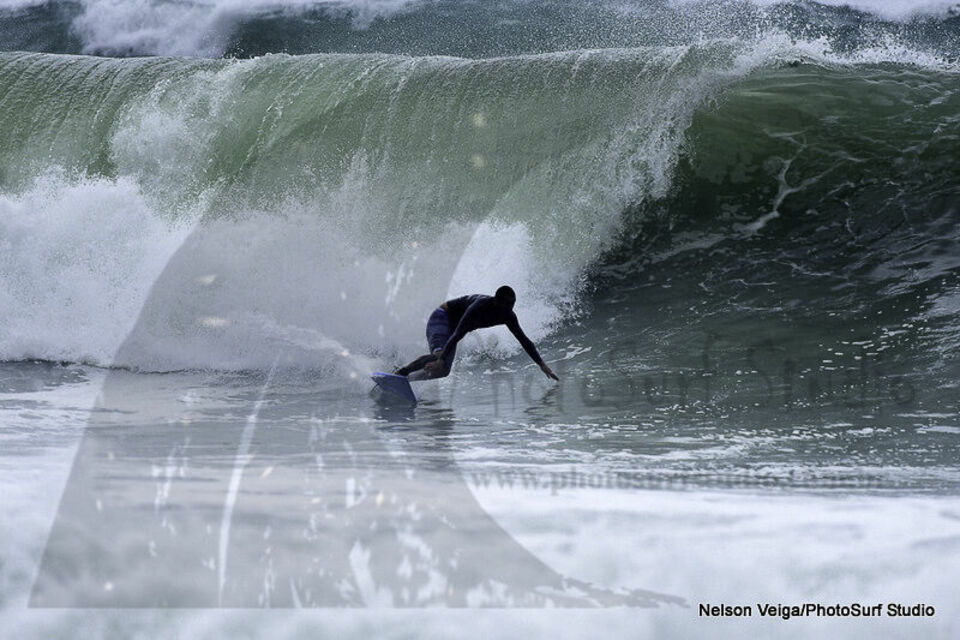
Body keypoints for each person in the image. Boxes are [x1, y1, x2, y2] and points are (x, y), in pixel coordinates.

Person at [396, 285, 559, 382]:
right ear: (496, 301)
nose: (509, 310)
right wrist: (441, 359)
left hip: (453, 330)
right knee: (439, 357)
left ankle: (408, 379)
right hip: (442, 318)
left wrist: (541, 364)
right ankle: (400, 373)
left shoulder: (508, 315)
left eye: (512, 305)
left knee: (444, 371)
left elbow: (524, 340)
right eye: (506, 305)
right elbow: (459, 333)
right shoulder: (479, 307)